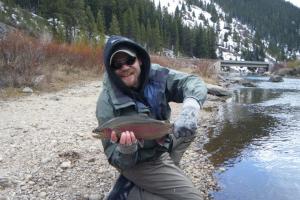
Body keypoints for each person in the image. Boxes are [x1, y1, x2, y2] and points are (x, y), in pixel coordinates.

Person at [96, 35, 207, 200]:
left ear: (139, 60)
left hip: (160, 142)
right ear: (111, 69)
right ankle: (129, 194)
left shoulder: (156, 75)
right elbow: (114, 158)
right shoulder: (106, 102)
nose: (124, 67)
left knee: (189, 129)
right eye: (117, 65)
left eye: (129, 60)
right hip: (138, 162)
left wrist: (190, 108)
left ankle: (160, 177)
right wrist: (127, 150)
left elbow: (193, 82)